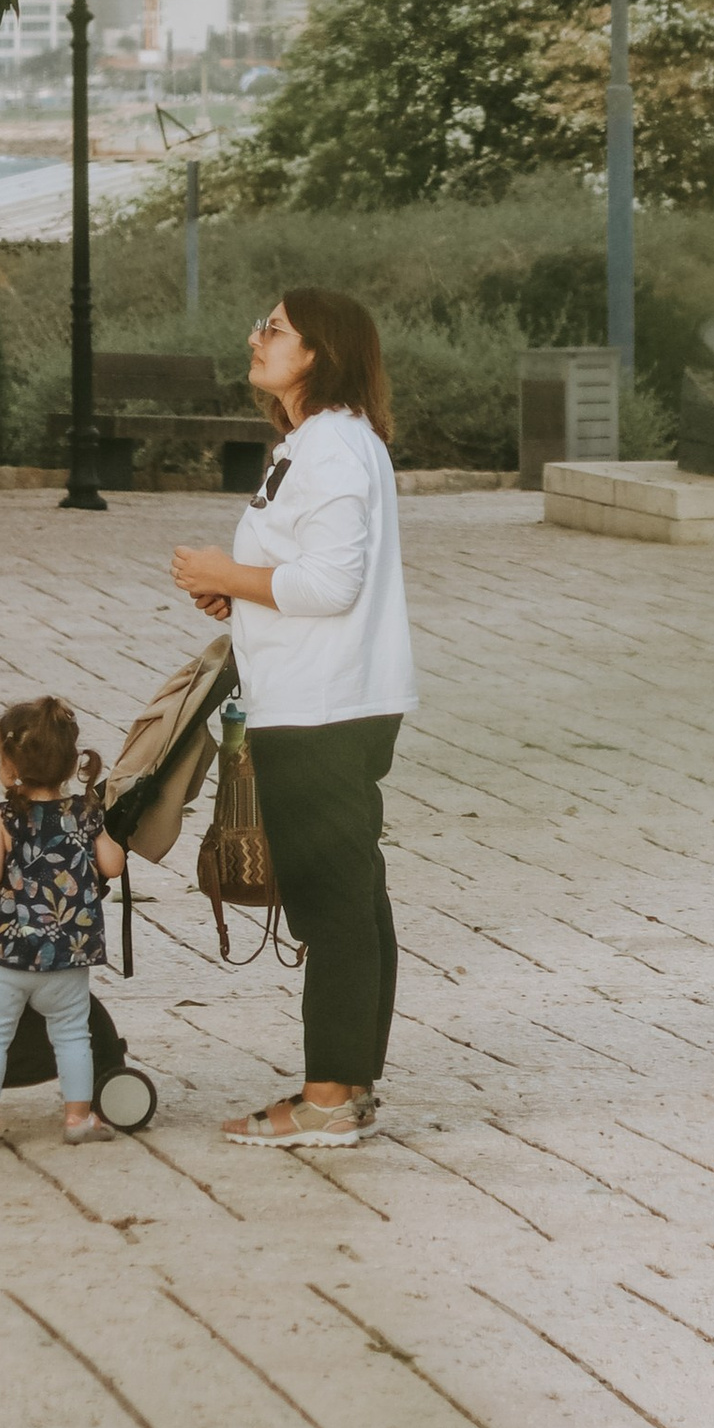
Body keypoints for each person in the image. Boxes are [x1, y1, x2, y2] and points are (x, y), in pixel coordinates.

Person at [170, 287, 415, 1151]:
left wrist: (226, 574)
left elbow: (331, 586)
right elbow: (301, 572)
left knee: (331, 904)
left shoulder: (335, 450)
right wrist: (235, 593)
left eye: (274, 328)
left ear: (318, 352)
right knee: (350, 898)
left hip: (322, 707)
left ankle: (326, 1101)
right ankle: (345, 1084)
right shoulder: (314, 444)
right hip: (318, 696)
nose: (257, 335)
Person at [0, 693, 126, 1145]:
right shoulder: (85, 813)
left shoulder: (3, 819)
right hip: (69, 957)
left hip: (12, 957)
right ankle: (78, 1119)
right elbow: (113, 865)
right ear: (69, 764)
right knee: (72, 1036)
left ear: (9, 765)